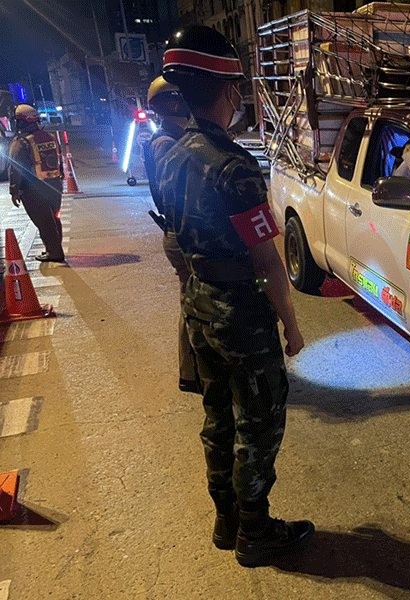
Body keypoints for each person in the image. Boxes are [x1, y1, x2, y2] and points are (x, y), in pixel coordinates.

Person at [158, 25, 313, 567]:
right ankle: (255, 530)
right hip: (240, 312)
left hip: (198, 303)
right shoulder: (235, 167)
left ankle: (226, 520)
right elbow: (267, 261)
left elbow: (174, 236)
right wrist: (291, 324)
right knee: (259, 421)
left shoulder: (170, 155)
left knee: (218, 415)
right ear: (228, 91)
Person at [142, 76, 200, 394]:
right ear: (175, 102)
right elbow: (176, 195)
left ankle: (195, 370)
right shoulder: (166, 144)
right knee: (193, 303)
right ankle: (191, 373)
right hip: (182, 232)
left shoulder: (176, 137)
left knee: (194, 301)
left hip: (181, 230)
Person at [8, 104, 65, 262]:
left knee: (44, 221)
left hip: (33, 188)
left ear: (21, 122)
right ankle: (55, 248)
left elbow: (16, 169)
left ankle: (55, 253)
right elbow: (59, 160)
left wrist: (14, 190)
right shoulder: (51, 137)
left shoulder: (21, 142)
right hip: (54, 184)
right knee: (54, 219)